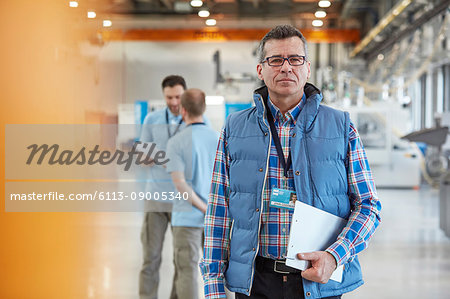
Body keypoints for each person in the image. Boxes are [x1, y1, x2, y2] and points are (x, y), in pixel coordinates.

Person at [200, 25, 382, 299]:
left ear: (307, 68)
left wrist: (335, 256)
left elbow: (368, 206)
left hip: (318, 282)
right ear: (261, 70)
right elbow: (218, 211)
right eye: (275, 60)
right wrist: (213, 285)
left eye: (295, 59)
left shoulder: (341, 127)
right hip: (255, 283)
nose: (286, 67)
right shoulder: (235, 128)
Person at [166, 88, 219, 299]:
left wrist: (202, 207)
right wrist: (211, 209)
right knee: (215, 271)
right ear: (204, 109)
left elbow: (181, 185)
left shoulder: (176, 142)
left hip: (187, 217)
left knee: (186, 270)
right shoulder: (218, 138)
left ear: (182, 110)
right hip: (215, 217)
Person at [139, 75, 186, 299]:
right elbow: (142, 156)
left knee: (182, 260)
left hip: (183, 201)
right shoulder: (152, 119)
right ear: (163, 96)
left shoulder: (195, 120)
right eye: (169, 97)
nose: (174, 102)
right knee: (151, 258)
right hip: (155, 198)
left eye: (178, 96)